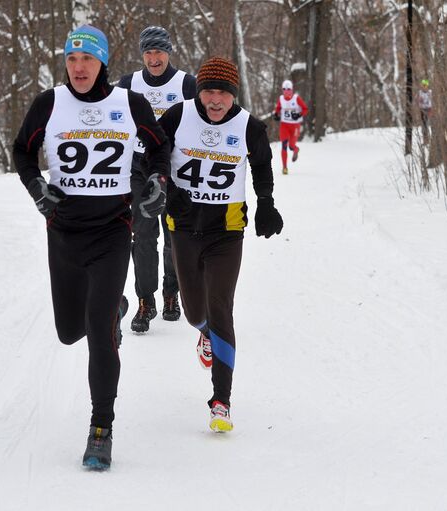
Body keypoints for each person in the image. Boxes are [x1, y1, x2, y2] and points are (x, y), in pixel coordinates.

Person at [13, 25, 170, 470]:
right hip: (63, 230)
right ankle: (114, 309)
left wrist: (158, 181)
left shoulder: (129, 103)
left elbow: (160, 149)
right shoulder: (49, 103)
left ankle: (102, 427)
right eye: (71, 59)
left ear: (102, 63)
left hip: (113, 230)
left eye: (87, 59)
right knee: (69, 331)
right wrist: (36, 186)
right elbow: (22, 152)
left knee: (99, 335)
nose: (78, 67)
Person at [158, 57, 283, 432]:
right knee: (196, 311)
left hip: (227, 231)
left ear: (234, 95)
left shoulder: (250, 127)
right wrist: (167, 186)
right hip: (182, 225)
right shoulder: (177, 117)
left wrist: (267, 204)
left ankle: (220, 401)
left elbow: (261, 165)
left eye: (223, 93)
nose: (215, 100)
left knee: (221, 307)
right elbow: (152, 153)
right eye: (209, 91)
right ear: (199, 92)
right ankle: (203, 333)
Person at [116, 26, 197, 334]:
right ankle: (145, 300)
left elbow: (203, 120)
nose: (153, 58)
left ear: (169, 52)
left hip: (175, 168)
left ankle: (171, 293)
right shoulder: (129, 84)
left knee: (174, 233)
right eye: (148, 52)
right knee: (144, 235)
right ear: (142, 55)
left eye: (159, 52)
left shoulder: (186, 83)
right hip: (139, 166)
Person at [272, 79, 308, 175]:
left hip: (295, 126)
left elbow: (305, 109)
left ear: (292, 90)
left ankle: (296, 149)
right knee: (284, 145)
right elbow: (278, 108)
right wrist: (276, 114)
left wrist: (299, 114)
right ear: (282, 90)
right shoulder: (281, 99)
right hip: (284, 125)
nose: (286, 91)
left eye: (288, 89)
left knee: (291, 146)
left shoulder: (296, 98)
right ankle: (284, 167)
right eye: (284, 89)